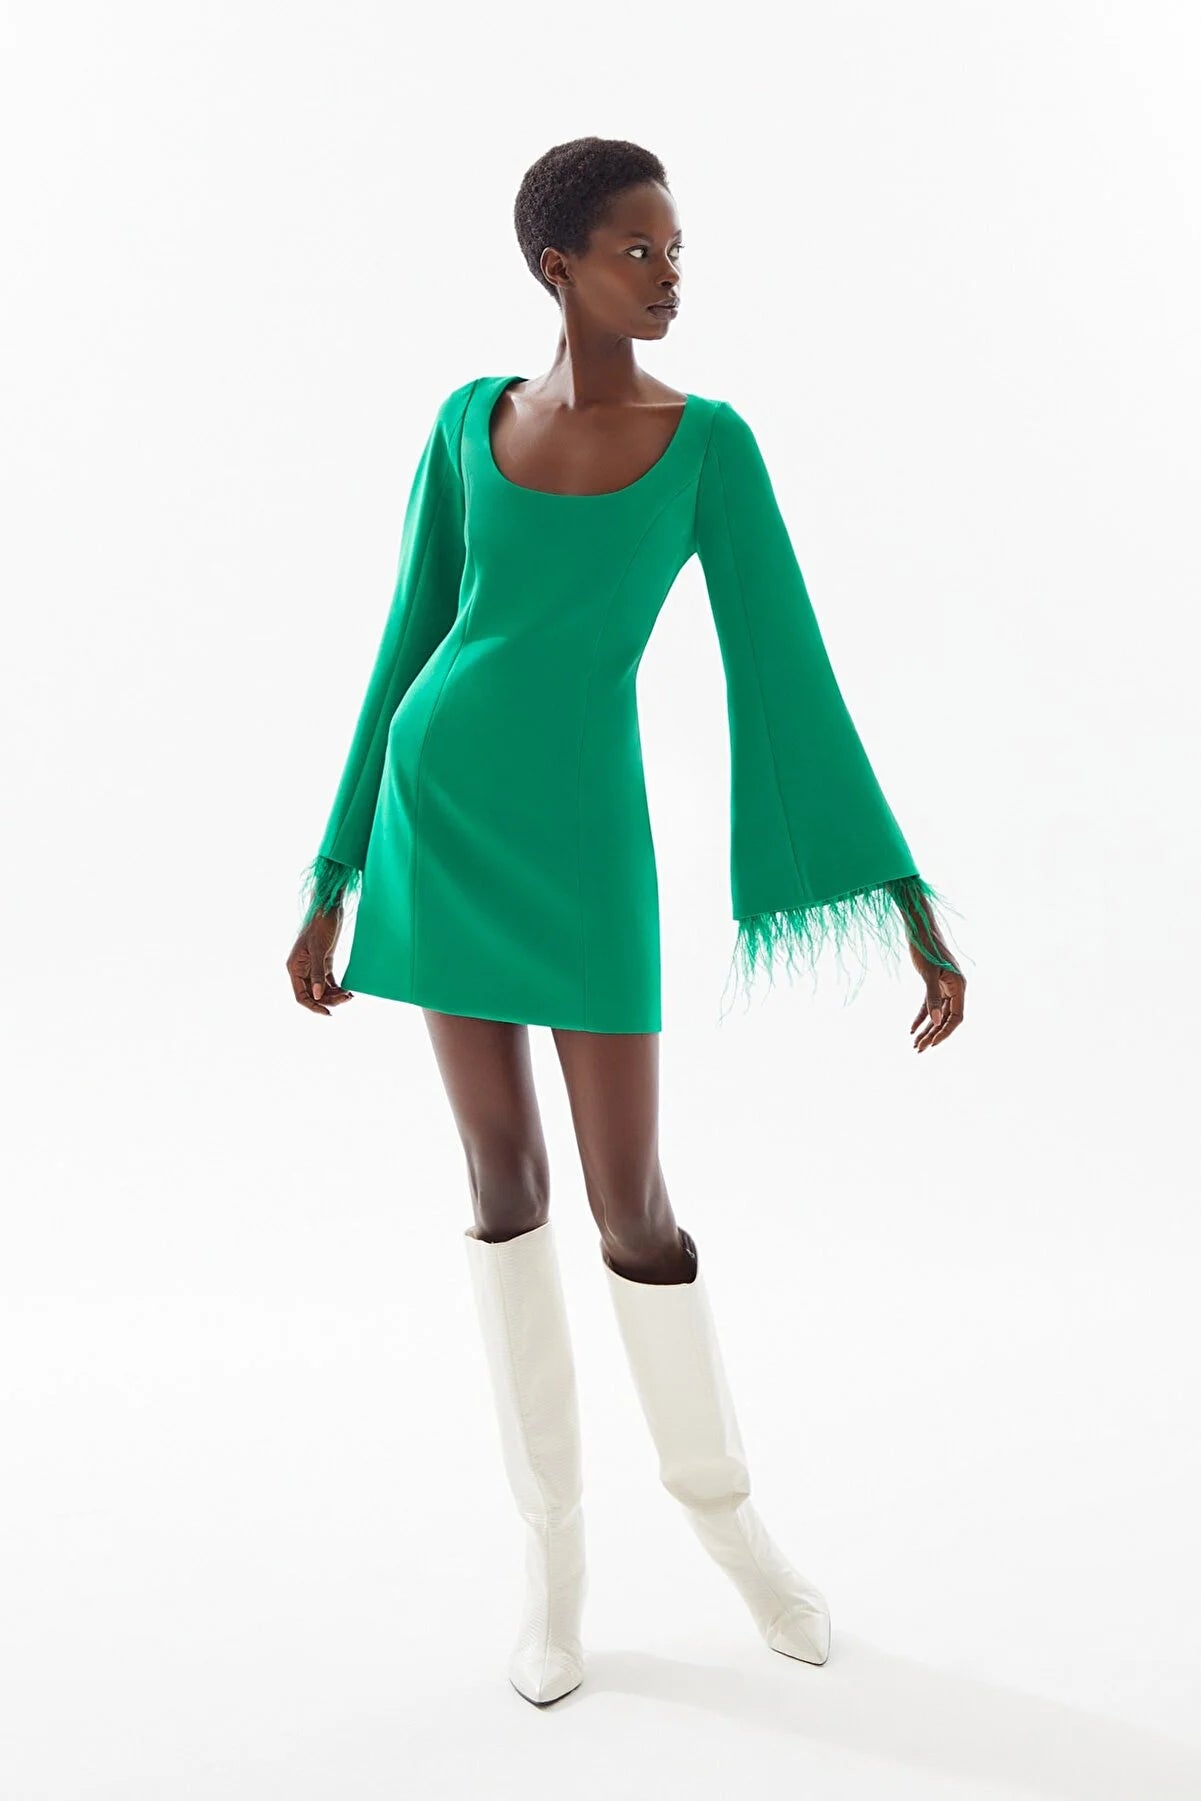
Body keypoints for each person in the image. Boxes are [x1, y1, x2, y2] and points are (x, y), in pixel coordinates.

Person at [285, 136, 967, 1707]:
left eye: (675, 249)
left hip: (589, 845)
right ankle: (552, 1567)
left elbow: (784, 663)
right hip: (437, 816)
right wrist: (333, 870)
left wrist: (901, 892)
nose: (668, 275)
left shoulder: (705, 444)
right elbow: (407, 639)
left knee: (634, 1206)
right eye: (636, 250)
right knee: (500, 1181)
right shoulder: (466, 422)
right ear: (559, 267)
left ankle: (733, 1534)